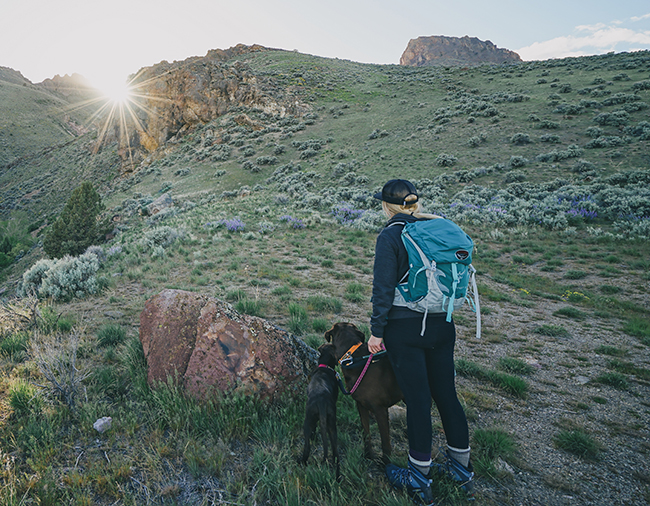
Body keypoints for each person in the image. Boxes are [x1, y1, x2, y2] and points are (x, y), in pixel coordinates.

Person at [368, 179, 474, 504]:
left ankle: (418, 477)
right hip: (443, 323)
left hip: (406, 328)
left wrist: (376, 331)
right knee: (447, 396)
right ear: (414, 203)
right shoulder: (435, 229)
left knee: (417, 401)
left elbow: (383, 288)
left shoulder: (390, 235)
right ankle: (461, 470)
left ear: (387, 205)